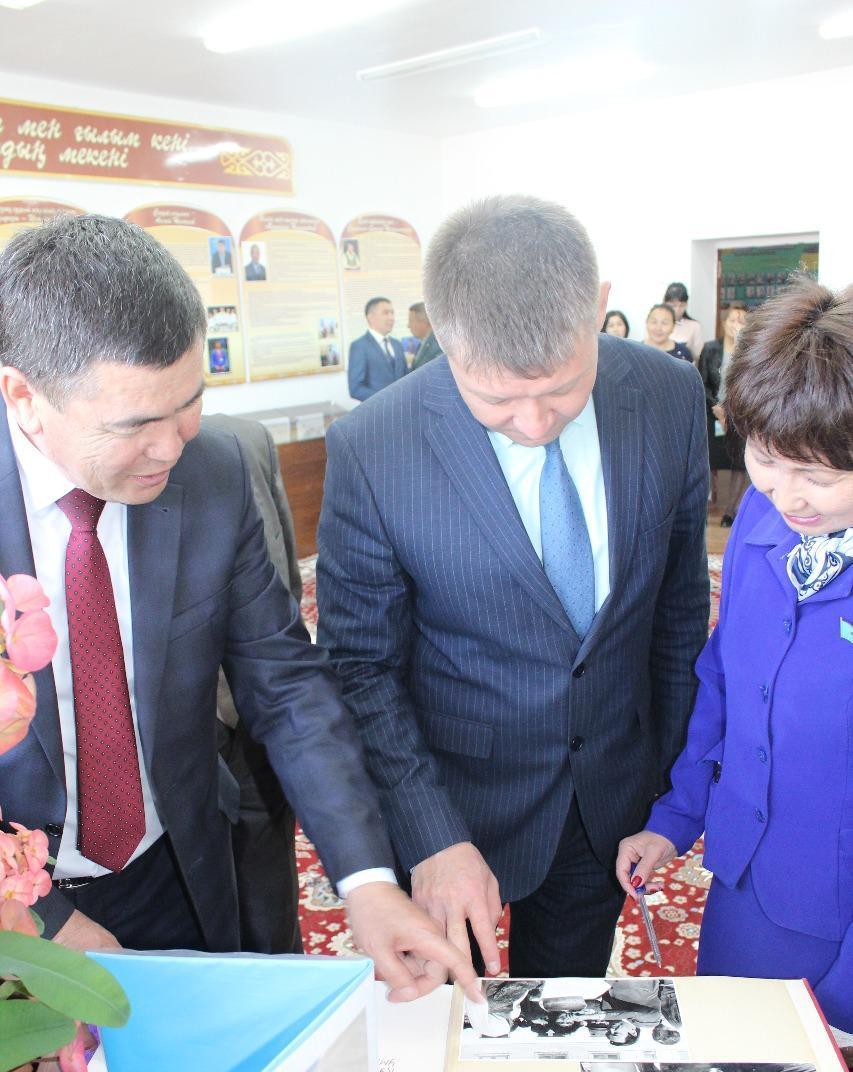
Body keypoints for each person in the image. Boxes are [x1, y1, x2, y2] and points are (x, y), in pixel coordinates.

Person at [0, 213, 482, 1007]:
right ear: (24, 396)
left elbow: (285, 682)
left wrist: (366, 881)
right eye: (135, 424)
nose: (172, 445)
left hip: (178, 866)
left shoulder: (211, 472)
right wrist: (42, 920)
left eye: (189, 402)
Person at [317, 195, 710, 979]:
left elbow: (676, 605)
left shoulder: (667, 394)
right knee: (442, 1016)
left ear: (597, 307)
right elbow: (359, 667)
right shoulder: (375, 443)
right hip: (450, 799)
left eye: (561, 389)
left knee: (566, 1011)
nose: (533, 423)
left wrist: (665, 782)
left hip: (606, 797)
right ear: (442, 336)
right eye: (495, 399)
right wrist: (430, 834)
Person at [617, 279, 853, 1072]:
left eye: (818, 475)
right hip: (747, 886)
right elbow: (720, 682)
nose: (785, 493)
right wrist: (673, 818)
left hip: (838, 916)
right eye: (763, 457)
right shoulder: (760, 522)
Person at [203, 412, 303, 954]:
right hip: (167, 731)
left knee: (268, 884)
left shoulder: (243, 439)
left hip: (253, 704)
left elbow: (284, 570)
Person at [698, 301, 749, 526]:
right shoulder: (711, 349)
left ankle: (730, 511)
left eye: (742, 321)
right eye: (732, 320)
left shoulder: (751, 350)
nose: (736, 324)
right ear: (724, 322)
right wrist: (716, 407)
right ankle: (705, 507)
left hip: (740, 417)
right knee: (710, 460)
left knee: (738, 463)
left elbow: (752, 385)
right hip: (712, 414)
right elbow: (702, 382)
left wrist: (731, 411)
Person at [346, 297, 407, 401]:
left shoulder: (397, 345)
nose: (391, 318)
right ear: (371, 317)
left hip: (403, 407)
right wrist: (386, 400)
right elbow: (356, 389)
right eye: (386, 313)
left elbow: (407, 377)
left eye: (392, 313)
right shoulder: (359, 346)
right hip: (378, 409)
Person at [663, 282, 703, 360]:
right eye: (673, 305)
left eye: (682, 305)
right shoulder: (657, 325)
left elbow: (698, 356)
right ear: (665, 303)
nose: (677, 310)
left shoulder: (694, 326)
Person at [408, 301, 443, 370]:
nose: (408, 326)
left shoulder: (438, 345)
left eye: (411, 321)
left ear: (424, 321)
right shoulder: (423, 342)